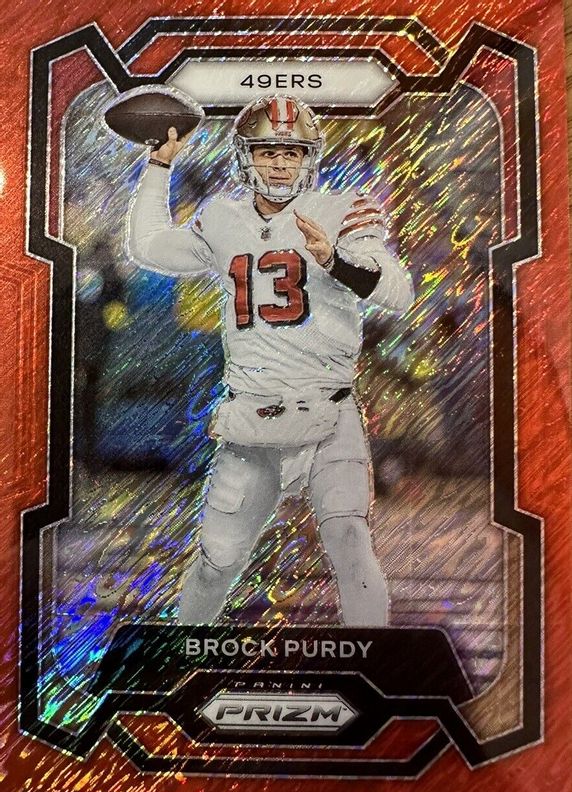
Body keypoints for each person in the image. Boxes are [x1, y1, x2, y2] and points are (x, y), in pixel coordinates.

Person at [128, 94, 414, 626]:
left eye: (292, 152)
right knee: (216, 564)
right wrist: (158, 167)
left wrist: (334, 260)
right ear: (246, 157)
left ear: (309, 157)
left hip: (329, 410)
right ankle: (185, 652)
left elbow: (399, 292)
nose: (280, 163)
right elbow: (147, 247)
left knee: (350, 539)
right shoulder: (222, 218)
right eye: (267, 151)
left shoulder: (342, 210)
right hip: (251, 412)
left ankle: (375, 658)